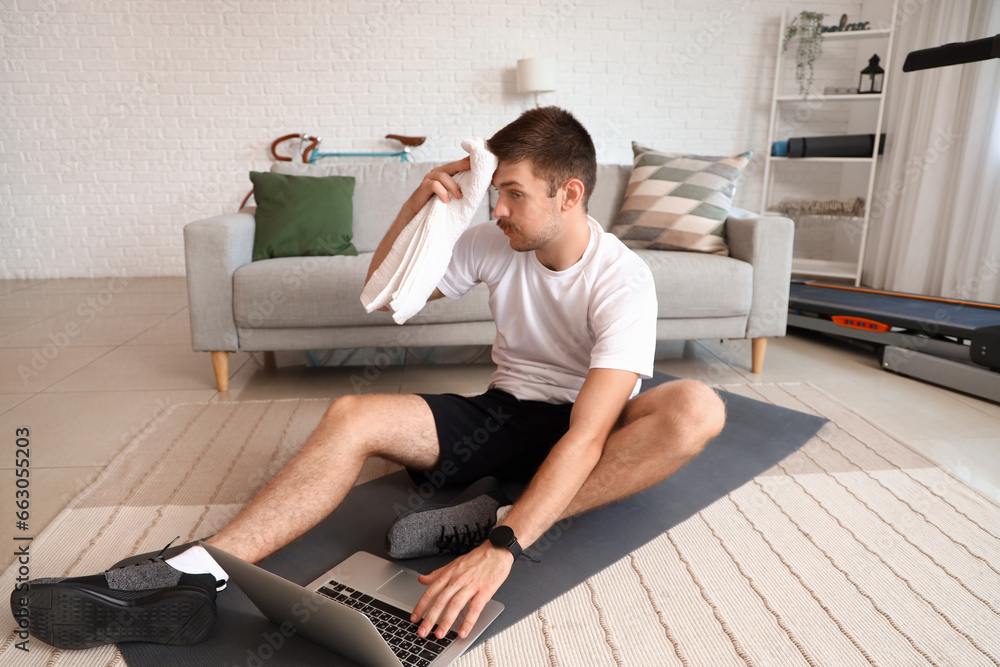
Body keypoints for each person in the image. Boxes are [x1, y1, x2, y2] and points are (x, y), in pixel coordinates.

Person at [11, 106, 726, 651]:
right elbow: (386, 292)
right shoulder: (491, 240)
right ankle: (202, 569)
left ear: (569, 195)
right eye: (494, 193)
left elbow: (588, 433)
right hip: (506, 413)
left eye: (512, 193)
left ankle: (502, 516)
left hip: (583, 433)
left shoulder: (622, 281)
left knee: (696, 409)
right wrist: (421, 204)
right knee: (353, 413)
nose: (497, 208)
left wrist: (499, 550)